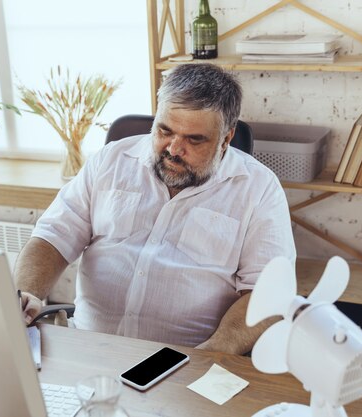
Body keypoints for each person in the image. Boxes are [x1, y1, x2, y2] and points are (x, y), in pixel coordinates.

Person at [15, 63, 296, 354]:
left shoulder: (259, 188)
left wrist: (212, 354)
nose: (174, 149)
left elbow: (268, 292)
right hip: (91, 347)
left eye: (194, 139)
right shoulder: (111, 160)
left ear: (226, 139)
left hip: (188, 360)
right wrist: (28, 294)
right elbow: (52, 237)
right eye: (165, 130)